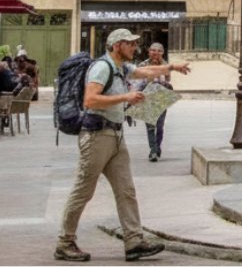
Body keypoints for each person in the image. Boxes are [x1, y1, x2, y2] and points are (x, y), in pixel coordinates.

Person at [56, 28, 189, 262]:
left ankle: (134, 241)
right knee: (83, 191)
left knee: (126, 190)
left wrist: (171, 68)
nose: (135, 48)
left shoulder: (122, 68)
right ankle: (65, 242)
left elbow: (146, 71)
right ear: (117, 46)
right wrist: (125, 98)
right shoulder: (102, 67)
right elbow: (90, 99)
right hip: (97, 136)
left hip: (116, 136)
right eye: (130, 44)